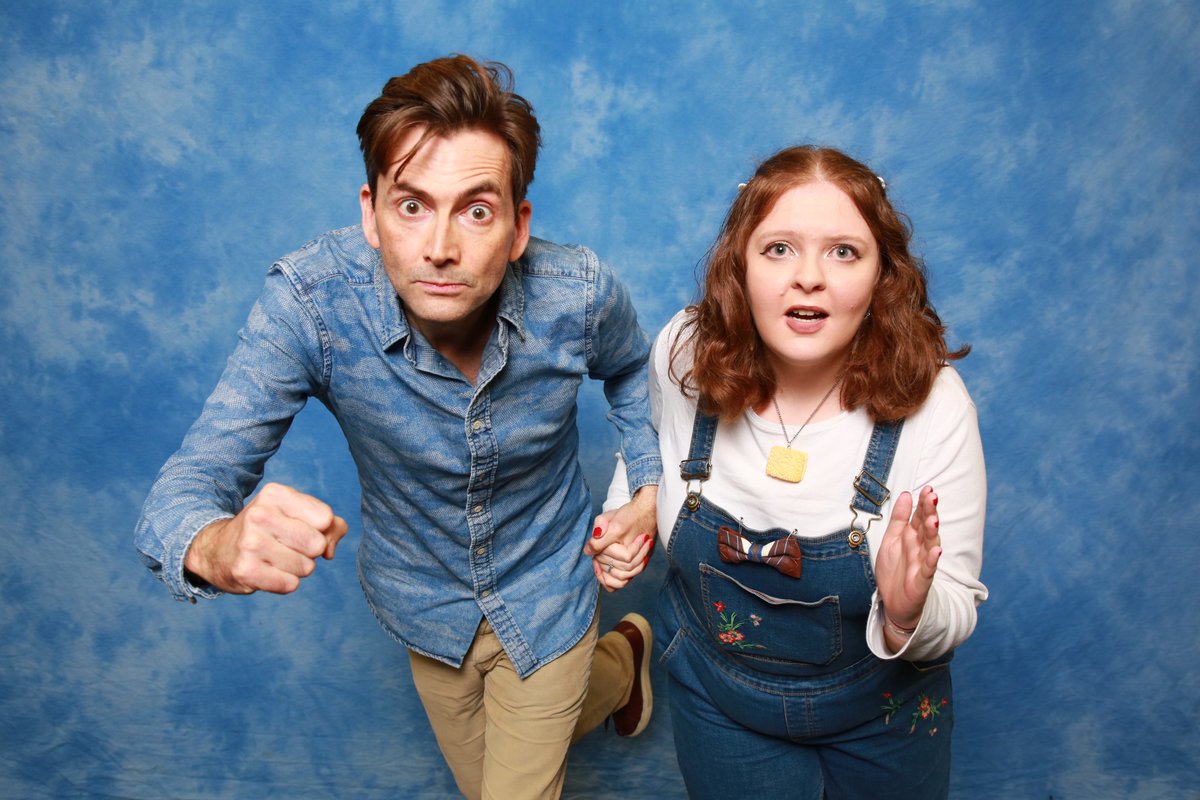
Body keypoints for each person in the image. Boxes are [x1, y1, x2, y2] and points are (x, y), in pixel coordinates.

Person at [135, 55, 659, 800]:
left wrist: (650, 487)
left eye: (476, 210)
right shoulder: (311, 306)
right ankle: (622, 664)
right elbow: (183, 490)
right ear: (369, 212)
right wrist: (216, 546)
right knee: (489, 777)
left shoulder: (575, 294)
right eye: (411, 205)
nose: (440, 246)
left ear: (517, 226)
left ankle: (590, 667)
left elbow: (639, 374)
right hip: (425, 607)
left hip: (551, 590)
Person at [605, 145, 987, 799]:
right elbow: (649, 443)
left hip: (882, 714)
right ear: (740, 264)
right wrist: (633, 507)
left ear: (880, 276)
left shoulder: (934, 404)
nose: (808, 276)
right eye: (778, 248)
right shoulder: (685, 353)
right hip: (721, 700)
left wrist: (906, 611)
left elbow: (956, 603)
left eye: (844, 251)